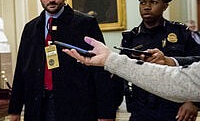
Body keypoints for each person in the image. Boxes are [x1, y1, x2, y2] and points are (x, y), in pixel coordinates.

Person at [62, 36, 200, 102]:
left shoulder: (179, 31)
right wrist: (109, 60)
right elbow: (185, 79)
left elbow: (184, 81)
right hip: (141, 105)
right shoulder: (132, 35)